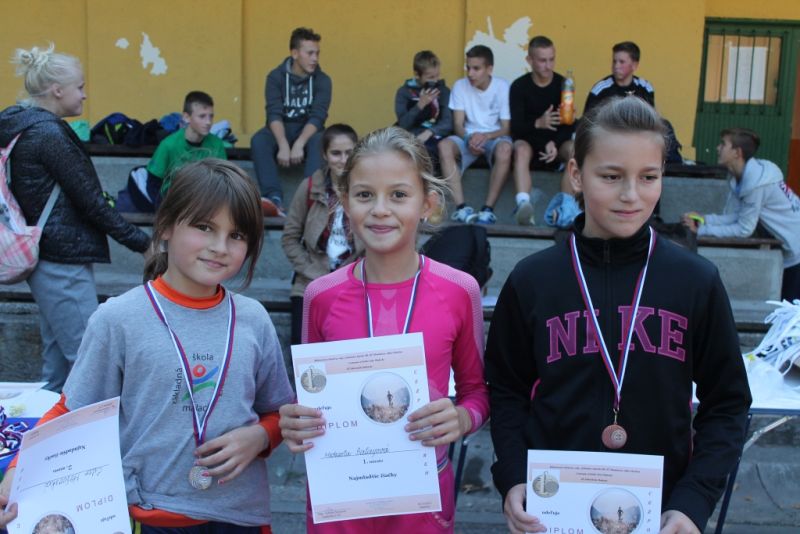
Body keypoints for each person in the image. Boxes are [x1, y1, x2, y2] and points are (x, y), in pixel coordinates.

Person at [485, 97, 751, 534]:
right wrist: (513, 475)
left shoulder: (695, 281)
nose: (631, 195)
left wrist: (694, 499)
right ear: (576, 174)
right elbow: (506, 390)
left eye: (648, 177)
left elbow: (728, 403)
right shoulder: (533, 280)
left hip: (661, 515)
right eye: (611, 176)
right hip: (550, 514)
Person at [0, 159, 295, 532]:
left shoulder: (253, 319)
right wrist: (17, 472)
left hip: (239, 515)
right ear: (167, 225)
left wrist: (261, 436)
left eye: (236, 235)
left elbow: (279, 412)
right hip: (147, 514)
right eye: (204, 227)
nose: (220, 247)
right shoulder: (119, 318)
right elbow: (71, 412)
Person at [279, 126, 490, 533]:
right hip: (340, 501)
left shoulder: (459, 290)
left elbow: (477, 393)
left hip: (422, 500)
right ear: (344, 202)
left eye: (398, 195)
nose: (380, 209)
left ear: (427, 203)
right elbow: (309, 398)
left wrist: (462, 419)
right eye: (364, 195)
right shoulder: (320, 295)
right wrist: (295, 420)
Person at [0, 44, 150, 393]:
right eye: (79, 87)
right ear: (57, 90)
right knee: (90, 362)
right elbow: (92, 203)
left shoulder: (24, 126)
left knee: (59, 370)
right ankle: (99, 429)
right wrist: (144, 244)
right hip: (61, 260)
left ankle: (49, 424)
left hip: (50, 256)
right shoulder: (48, 135)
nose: (84, 94)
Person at [683, 128, 800, 301]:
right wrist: (703, 220)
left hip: (797, 254)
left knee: (791, 312)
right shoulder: (745, 177)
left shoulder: (756, 183)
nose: (717, 148)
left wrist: (700, 231)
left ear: (737, 152)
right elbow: (738, 216)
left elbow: (744, 229)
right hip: (793, 252)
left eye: (723, 144)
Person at [281, 123, 364, 346]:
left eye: (349, 152)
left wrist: (359, 272)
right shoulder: (310, 187)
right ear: (325, 155)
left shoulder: (368, 190)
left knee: (350, 350)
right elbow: (290, 237)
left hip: (354, 282)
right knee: (304, 350)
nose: (343, 160)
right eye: (336, 153)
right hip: (310, 283)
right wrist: (310, 270)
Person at [250, 27, 332, 213]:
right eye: (310, 53)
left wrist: (299, 143)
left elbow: (318, 116)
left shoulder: (323, 80)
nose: (315, 58)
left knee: (322, 139)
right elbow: (274, 113)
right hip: (281, 129)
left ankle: (310, 199)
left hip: (308, 132)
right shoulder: (275, 77)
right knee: (259, 140)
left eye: (317, 53)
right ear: (295, 53)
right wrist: (283, 145)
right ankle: (274, 198)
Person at [439, 45, 512, 225]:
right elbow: (458, 124)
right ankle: (461, 208)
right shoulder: (460, 85)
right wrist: (468, 138)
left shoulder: (502, 86)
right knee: (444, 146)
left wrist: (485, 137)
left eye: (476, 68)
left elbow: (506, 128)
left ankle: (487, 209)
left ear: (489, 69)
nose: (470, 73)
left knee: (505, 149)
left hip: (494, 137)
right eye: (468, 67)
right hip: (467, 137)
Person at [510, 36, 576, 225]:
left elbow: (569, 125)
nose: (548, 65)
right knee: (520, 148)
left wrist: (554, 143)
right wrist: (538, 123)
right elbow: (516, 128)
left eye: (551, 59)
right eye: (542, 60)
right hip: (530, 145)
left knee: (575, 150)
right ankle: (524, 206)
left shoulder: (564, 84)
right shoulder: (519, 86)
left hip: (556, 146)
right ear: (529, 60)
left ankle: (566, 208)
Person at [147, 90, 227, 199]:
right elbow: (153, 184)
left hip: (206, 201)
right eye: (202, 116)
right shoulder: (168, 145)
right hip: (174, 202)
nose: (208, 122)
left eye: (211, 116)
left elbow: (223, 182)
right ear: (186, 117)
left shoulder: (217, 145)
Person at [394, 50, 453, 171]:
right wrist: (420, 104)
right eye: (431, 77)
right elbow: (403, 123)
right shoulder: (404, 92)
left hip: (434, 135)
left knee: (428, 151)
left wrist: (430, 132)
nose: (435, 80)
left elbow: (448, 122)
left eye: (437, 75)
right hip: (410, 135)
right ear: (417, 75)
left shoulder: (443, 91)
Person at [584, 41, 655, 115]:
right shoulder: (600, 89)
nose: (616, 66)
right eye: (614, 61)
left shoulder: (645, 87)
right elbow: (587, 120)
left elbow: (650, 118)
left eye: (622, 62)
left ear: (634, 65)